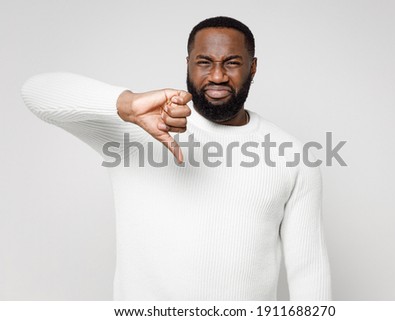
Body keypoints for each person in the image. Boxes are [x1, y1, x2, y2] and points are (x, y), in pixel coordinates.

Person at [21, 16, 331, 300]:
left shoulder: (293, 157)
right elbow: (35, 92)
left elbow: (309, 273)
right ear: (188, 65)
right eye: (204, 62)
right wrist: (126, 105)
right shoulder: (137, 130)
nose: (218, 75)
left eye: (232, 62)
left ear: (253, 67)